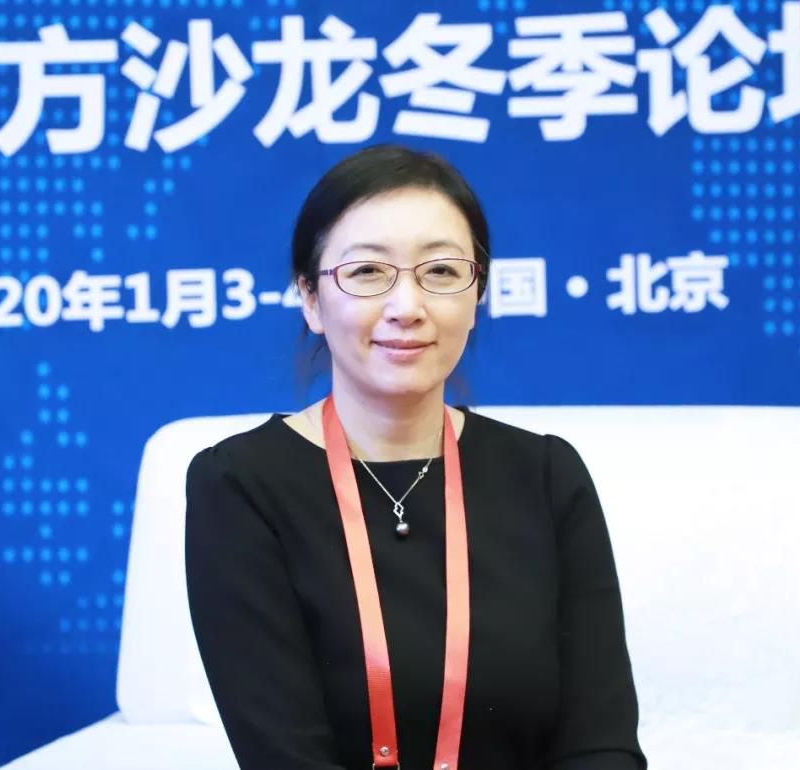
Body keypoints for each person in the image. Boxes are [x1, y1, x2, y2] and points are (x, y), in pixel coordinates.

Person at [185, 144, 647, 770]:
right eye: (368, 272)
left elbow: (602, 744)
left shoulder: (546, 476)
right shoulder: (240, 485)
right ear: (311, 299)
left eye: (441, 271)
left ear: (476, 293)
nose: (407, 307)